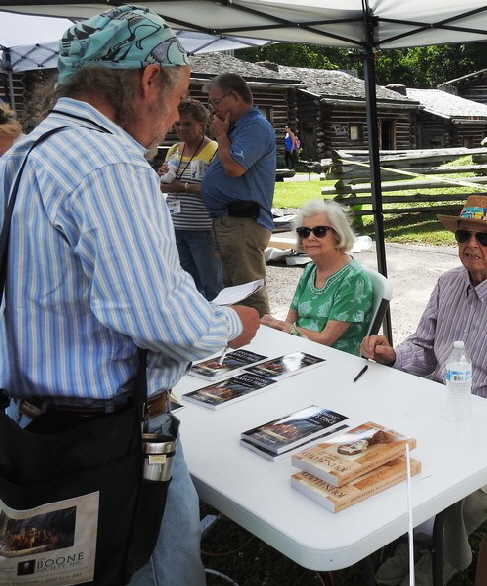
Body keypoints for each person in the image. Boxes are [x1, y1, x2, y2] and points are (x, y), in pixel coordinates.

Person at [0, 6, 259, 586]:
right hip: (106, 438)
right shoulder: (111, 165)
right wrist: (234, 323)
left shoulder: (25, 154)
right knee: (137, 565)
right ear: (148, 80)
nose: (175, 115)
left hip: (30, 424)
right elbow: (158, 317)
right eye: (178, 95)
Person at [361, 195, 487, 586]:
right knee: (381, 446)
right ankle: (417, 538)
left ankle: (446, 555)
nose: (472, 244)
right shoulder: (447, 283)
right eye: (464, 234)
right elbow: (425, 347)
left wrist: (475, 427)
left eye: (483, 236)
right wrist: (394, 355)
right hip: (434, 400)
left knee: (461, 482)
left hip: (485, 412)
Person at [201, 73, 276, 317]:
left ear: (234, 97)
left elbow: (234, 168)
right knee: (234, 292)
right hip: (230, 221)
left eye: (215, 102)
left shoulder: (255, 127)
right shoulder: (238, 127)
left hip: (243, 222)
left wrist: (221, 137)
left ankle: (266, 347)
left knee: (249, 294)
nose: (213, 110)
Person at [261, 199, 372, 356]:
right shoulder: (310, 269)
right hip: (301, 351)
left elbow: (326, 340)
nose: (310, 238)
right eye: (304, 232)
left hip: (335, 360)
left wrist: (279, 326)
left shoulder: (353, 278)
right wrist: (283, 329)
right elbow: (290, 322)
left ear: (338, 235)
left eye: (319, 231)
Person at [159, 97, 222, 300]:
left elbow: (217, 190)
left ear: (202, 125)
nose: (181, 129)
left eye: (188, 124)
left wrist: (182, 187)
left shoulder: (213, 150)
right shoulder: (174, 150)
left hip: (203, 229)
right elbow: (165, 184)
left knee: (212, 284)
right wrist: (163, 177)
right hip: (176, 227)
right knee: (187, 284)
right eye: (178, 124)